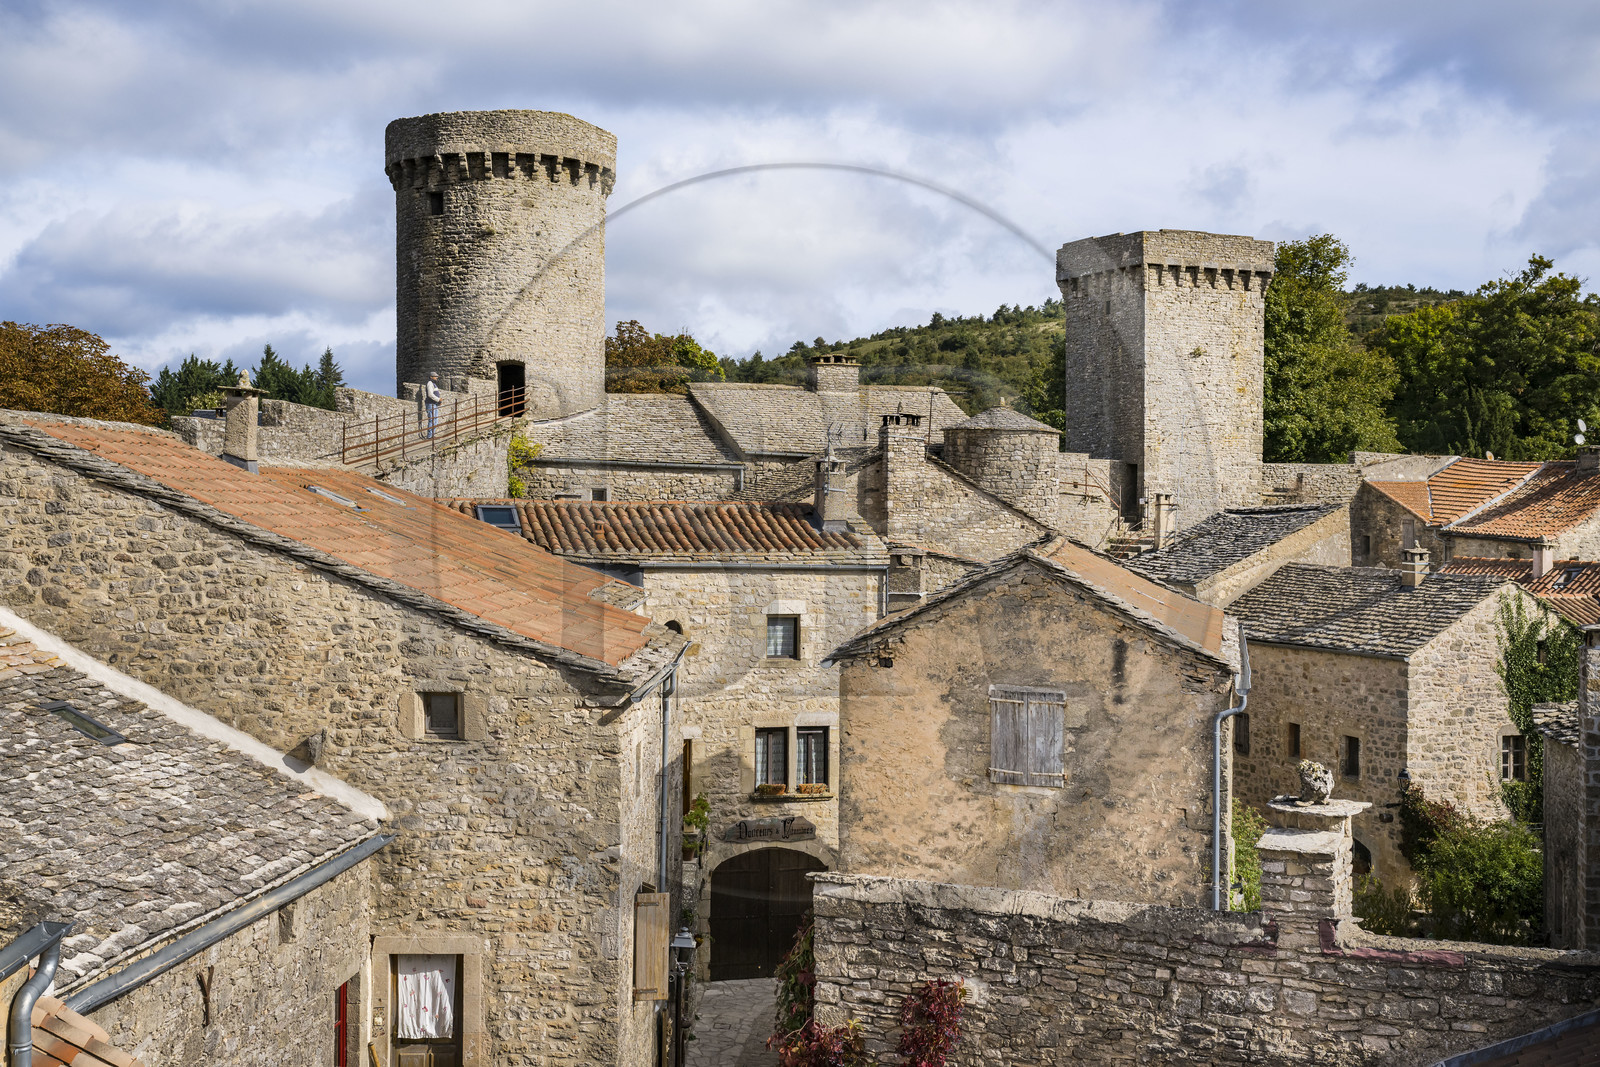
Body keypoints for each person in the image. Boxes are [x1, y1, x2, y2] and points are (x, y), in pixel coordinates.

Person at [424, 373, 441, 439]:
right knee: (432, 420)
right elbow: (430, 395)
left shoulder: (433, 384)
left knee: (435, 420)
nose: (437, 378)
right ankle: (429, 436)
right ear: (431, 377)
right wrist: (438, 399)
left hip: (434, 404)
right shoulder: (429, 384)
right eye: (435, 376)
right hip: (431, 404)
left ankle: (432, 435)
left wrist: (439, 401)